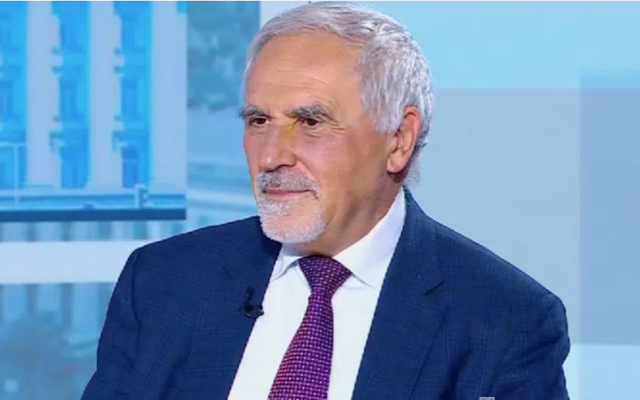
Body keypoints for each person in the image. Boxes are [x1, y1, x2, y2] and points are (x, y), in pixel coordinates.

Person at [81, 2, 571, 400]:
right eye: (258, 121)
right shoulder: (164, 281)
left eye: (311, 122)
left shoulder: (504, 320)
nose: (271, 156)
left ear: (399, 139)